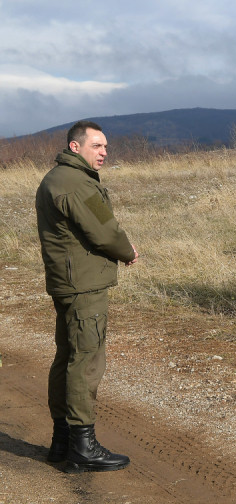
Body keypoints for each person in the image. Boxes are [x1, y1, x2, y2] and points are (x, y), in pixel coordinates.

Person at [36, 120, 138, 473]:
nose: (104, 152)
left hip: (67, 281)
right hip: (83, 284)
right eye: (97, 146)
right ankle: (83, 447)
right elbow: (104, 230)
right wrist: (127, 251)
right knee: (86, 360)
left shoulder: (56, 178)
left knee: (67, 357)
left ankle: (61, 440)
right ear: (75, 147)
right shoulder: (75, 182)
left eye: (106, 146)